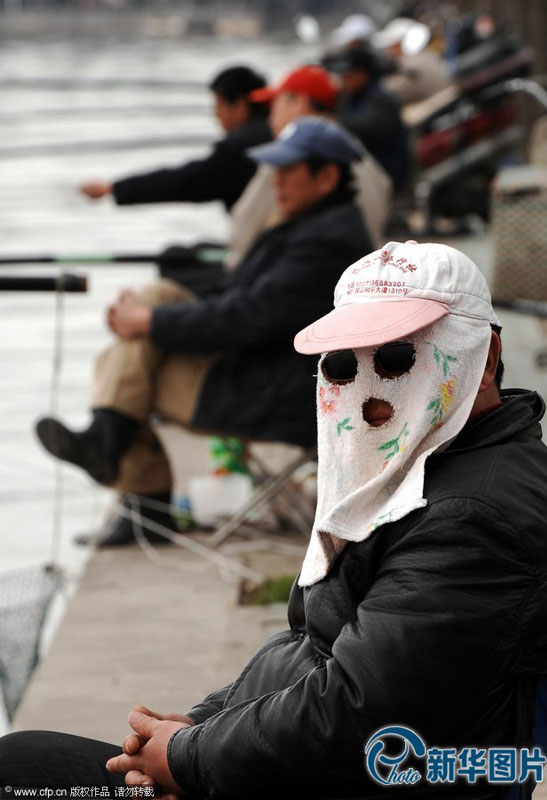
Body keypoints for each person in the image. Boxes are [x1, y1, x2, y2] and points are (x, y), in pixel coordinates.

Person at [3, 241, 547, 796]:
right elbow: (309, 643)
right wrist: (202, 726)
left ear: (483, 359)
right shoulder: (421, 469)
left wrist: (189, 756)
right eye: (343, 365)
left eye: (396, 358)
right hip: (293, 764)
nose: (370, 394)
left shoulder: (472, 517)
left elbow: (357, 712)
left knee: (23, 773)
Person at [35, 117, 372, 546]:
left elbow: (248, 317)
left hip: (281, 396)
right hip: (268, 373)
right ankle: (113, 449)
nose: (275, 182)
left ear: (326, 177)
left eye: (287, 172)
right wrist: (149, 311)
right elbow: (243, 292)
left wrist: (148, 322)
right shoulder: (316, 222)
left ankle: (132, 480)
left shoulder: (326, 241)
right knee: (154, 302)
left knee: (133, 368)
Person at [227, 64, 392, 270]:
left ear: (299, 102)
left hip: (310, 276)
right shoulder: (355, 150)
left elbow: (242, 236)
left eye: (274, 106)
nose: (270, 119)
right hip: (360, 274)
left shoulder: (291, 159)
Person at [80, 65, 271, 212]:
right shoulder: (278, 133)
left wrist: (113, 189)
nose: (215, 115)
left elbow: (186, 182)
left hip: (270, 253)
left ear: (239, 104)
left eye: (218, 105)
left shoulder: (240, 148)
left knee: (175, 255)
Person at [326, 44, 410, 190]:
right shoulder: (350, 96)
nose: (344, 79)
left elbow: (364, 129)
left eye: (349, 74)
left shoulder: (381, 98)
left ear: (363, 73)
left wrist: (332, 121)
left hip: (388, 172)